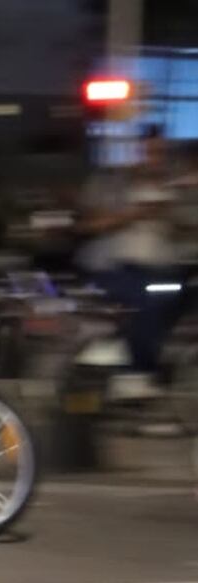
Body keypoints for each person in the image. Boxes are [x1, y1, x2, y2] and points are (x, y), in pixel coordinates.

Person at [77, 125, 186, 399]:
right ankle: (136, 372)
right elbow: (90, 224)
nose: (155, 158)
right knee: (145, 301)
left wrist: (171, 217)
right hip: (116, 267)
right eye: (149, 151)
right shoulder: (115, 182)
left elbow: (183, 228)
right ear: (137, 151)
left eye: (160, 152)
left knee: (177, 299)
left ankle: (150, 360)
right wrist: (133, 215)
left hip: (165, 268)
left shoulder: (173, 185)